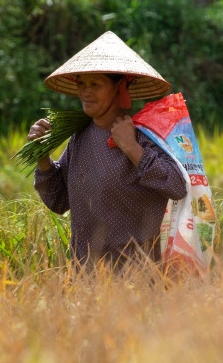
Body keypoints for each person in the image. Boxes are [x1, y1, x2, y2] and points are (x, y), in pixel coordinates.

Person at [28, 31, 188, 266]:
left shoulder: (143, 137)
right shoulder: (79, 139)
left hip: (137, 279)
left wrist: (131, 147)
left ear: (119, 87)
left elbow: (177, 186)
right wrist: (42, 158)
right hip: (86, 277)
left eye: (95, 84)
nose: (86, 91)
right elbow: (59, 202)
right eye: (81, 83)